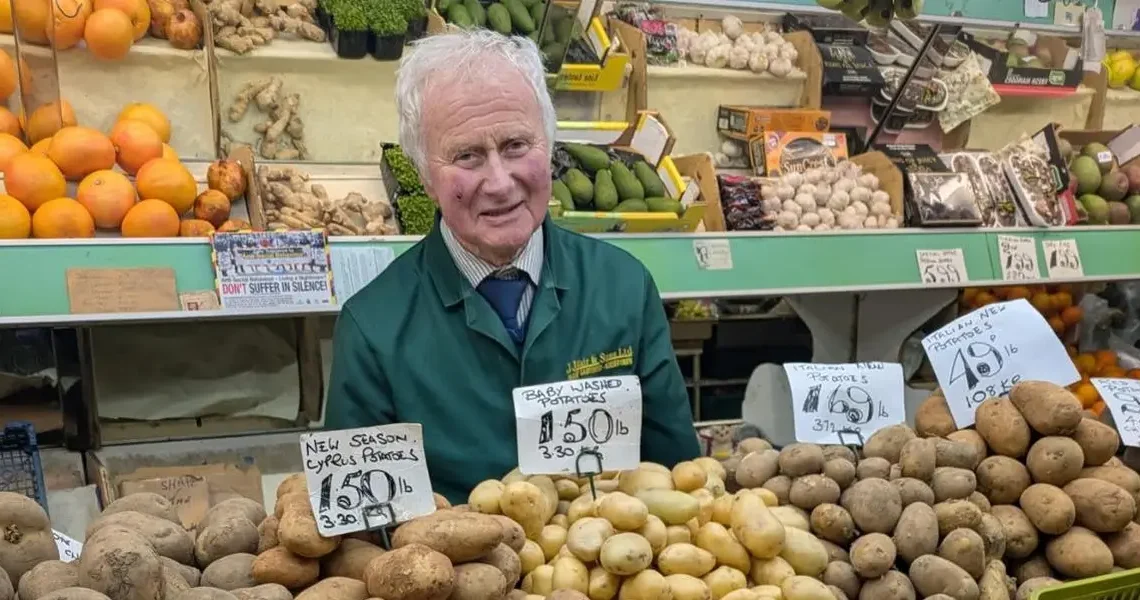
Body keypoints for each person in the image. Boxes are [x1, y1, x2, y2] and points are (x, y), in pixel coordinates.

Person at [324, 29, 700, 503]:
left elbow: (680, 477)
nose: (500, 183)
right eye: (467, 155)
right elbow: (362, 528)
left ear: (549, 145)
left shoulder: (624, 289)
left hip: (609, 566)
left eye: (517, 146)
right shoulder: (372, 328)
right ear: (423, 175)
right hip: (451, 575)